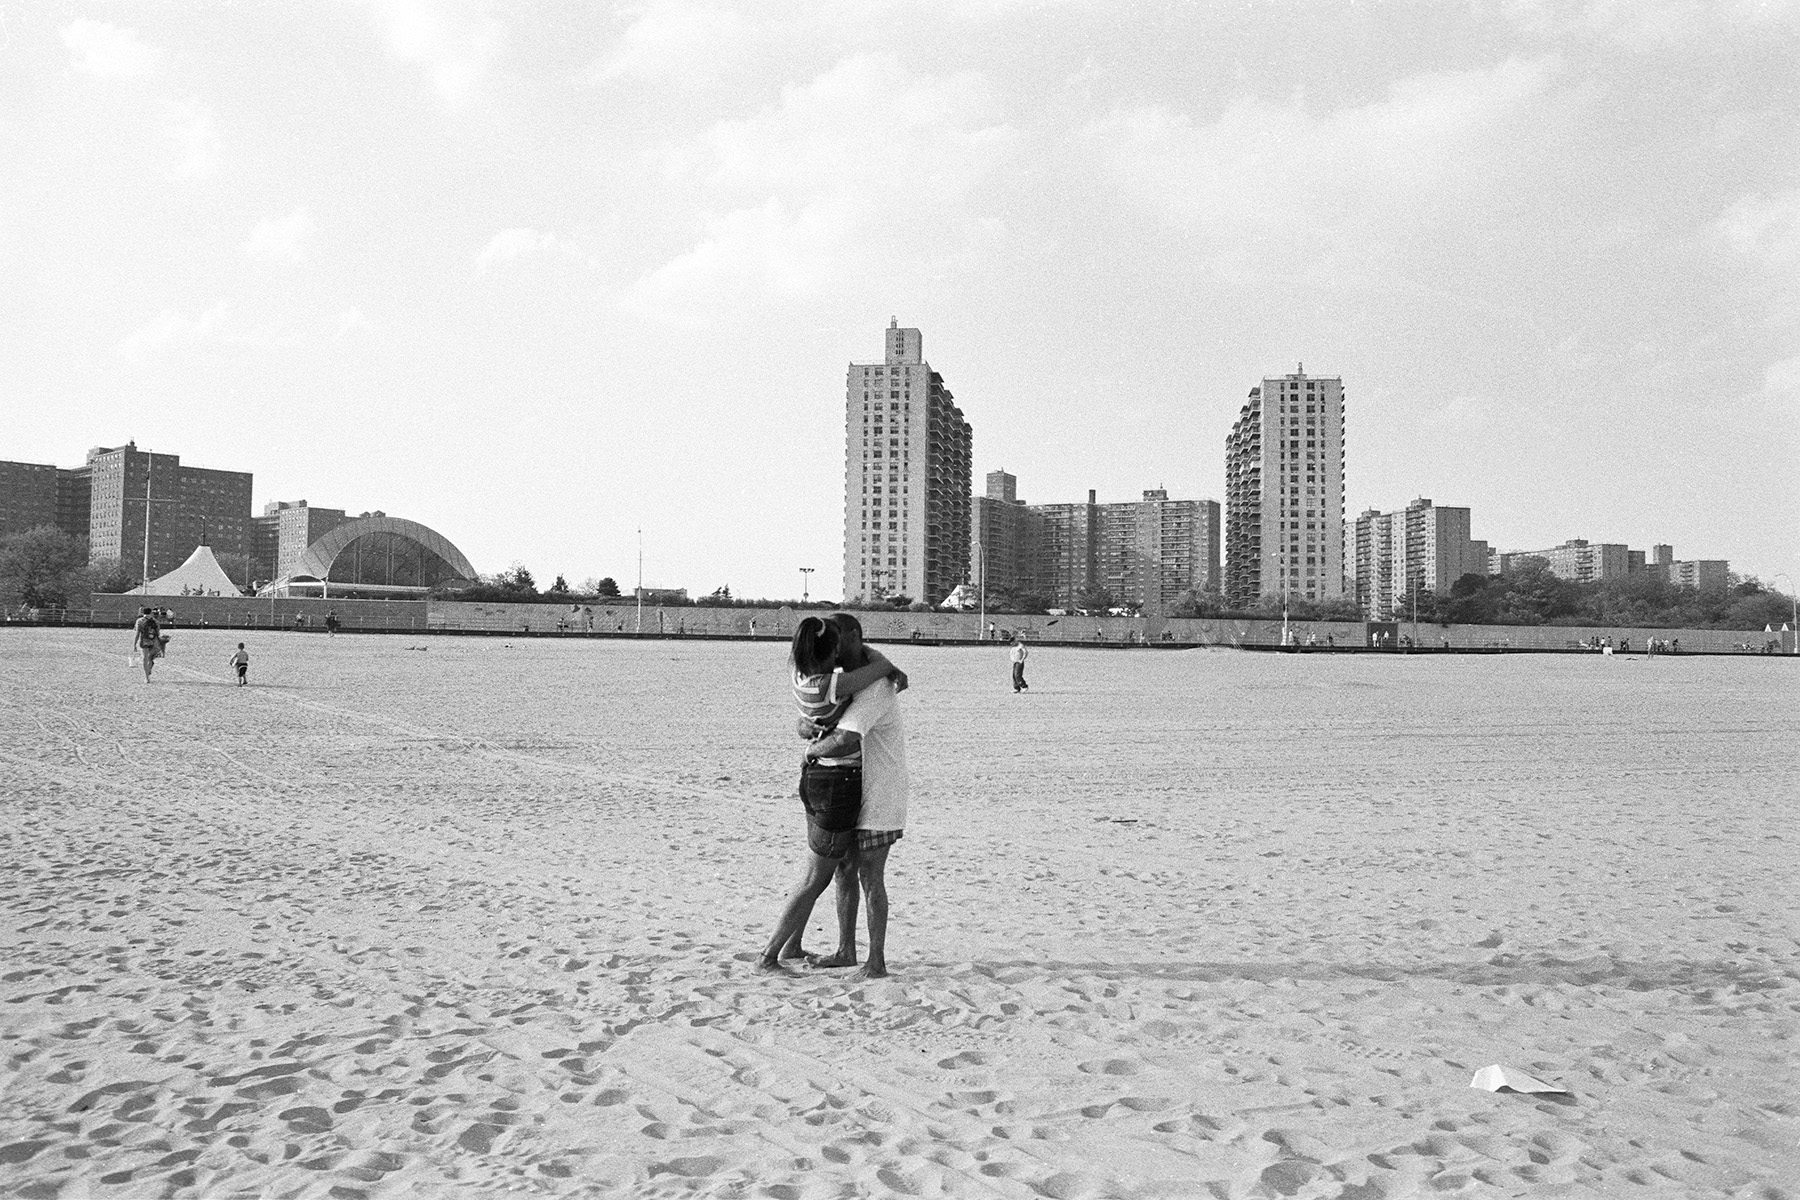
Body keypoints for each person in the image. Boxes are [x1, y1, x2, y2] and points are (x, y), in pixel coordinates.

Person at [759, 615, 907, 974]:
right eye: (832, 641)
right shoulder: (846, 681)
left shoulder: (872, 687)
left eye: (840, 639)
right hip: (842, 785)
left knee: (868, 875)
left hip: (878, 790)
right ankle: (840, 951)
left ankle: (874, 961)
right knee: (839, 870)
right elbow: (832, 733)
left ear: (852, 637)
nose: (835, 647)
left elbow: (844, 738)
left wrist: (810, 747)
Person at [131, 607, 165, 683]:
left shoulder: (140, 621)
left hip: (144, 641)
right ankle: (149, 668)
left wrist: (134, 644)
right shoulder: (155, 621)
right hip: (153, 641)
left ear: (143, 613)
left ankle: (146, 677)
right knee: (150, 658)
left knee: (145, 659)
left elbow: (137, 633)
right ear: (151, 613)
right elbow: (158, 632)